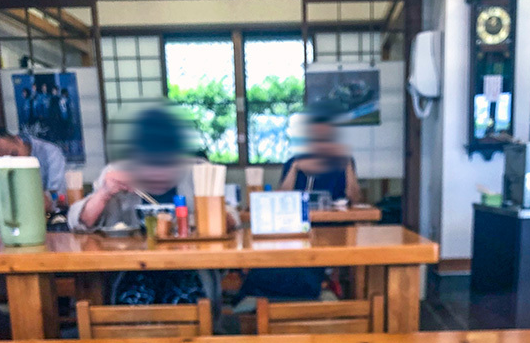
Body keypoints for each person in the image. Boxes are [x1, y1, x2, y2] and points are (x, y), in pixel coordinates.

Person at [68, 105, 233, 310]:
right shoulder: (116, 173)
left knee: (185, 304)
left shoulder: (199, 172)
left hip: (191, 266)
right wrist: (104, 193)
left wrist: (209, 212)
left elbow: (232, 220)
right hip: (131, 266)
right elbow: (79, 223)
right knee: (133, 309)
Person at [236, 108, 361, 306]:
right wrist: (295, 168)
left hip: (329, 229)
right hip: (295, 227)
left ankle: (312, 283)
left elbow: (354, 199)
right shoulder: (294, 162)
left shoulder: (341, 162)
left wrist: (347, 166)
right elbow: (280, 198)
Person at [0, 128, 67, 207]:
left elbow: (58, 195)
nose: (14, 161)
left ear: (18, 140)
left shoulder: (51, 153)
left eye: (14, 154)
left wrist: (48, 199)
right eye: (6, 160)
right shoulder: (3, 168)